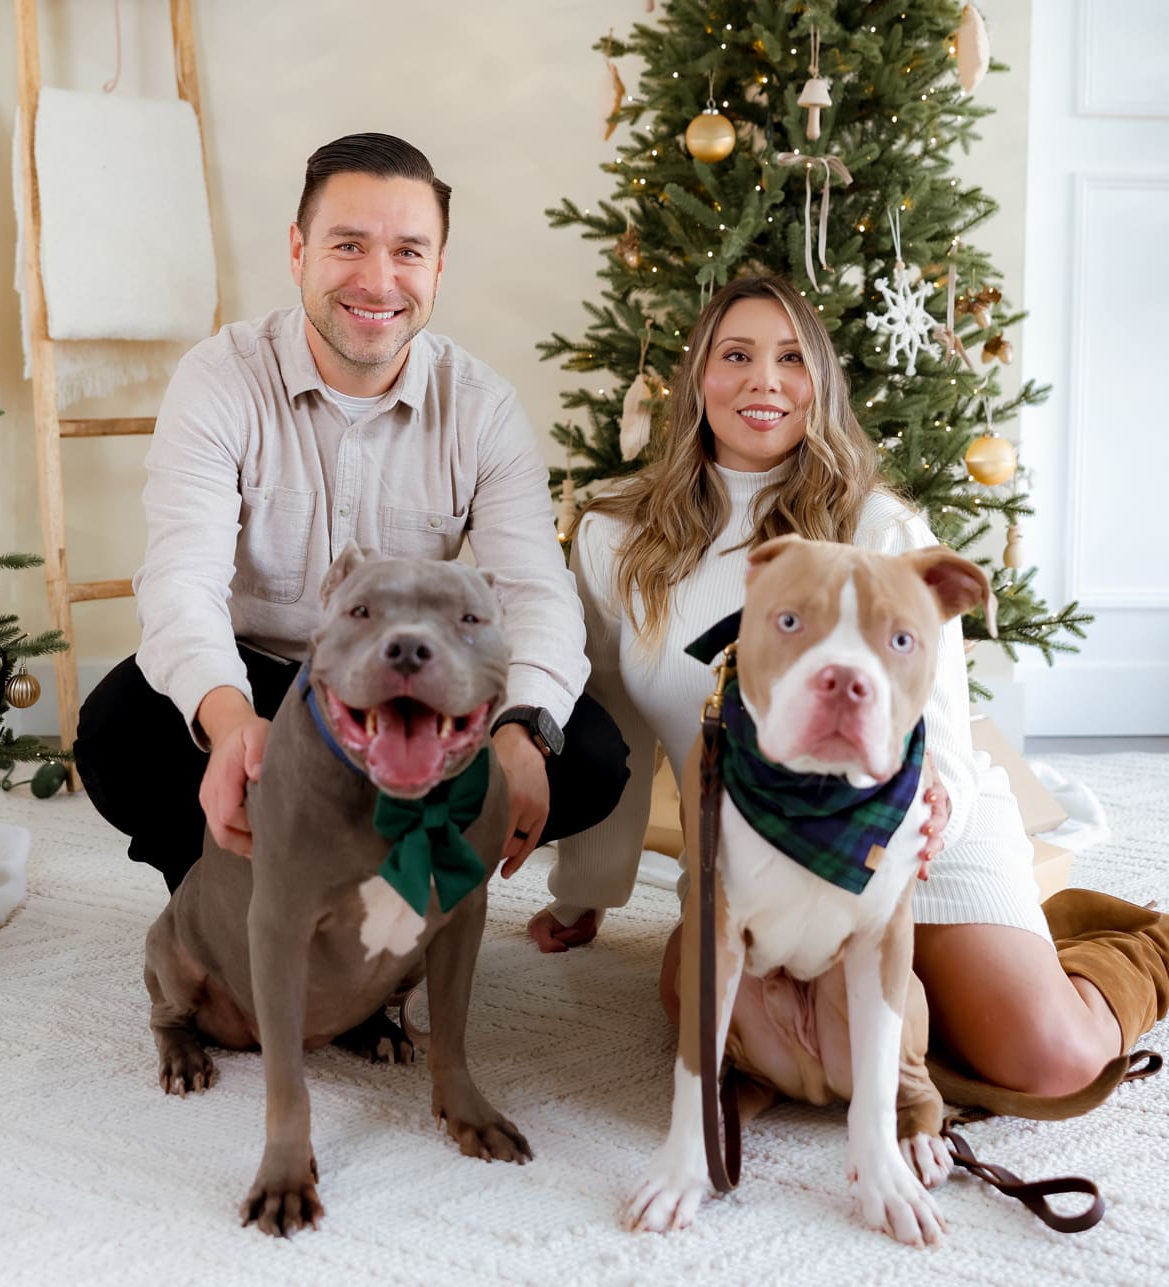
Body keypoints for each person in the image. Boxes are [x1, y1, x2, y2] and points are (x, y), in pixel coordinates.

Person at [531, 272, 1167, 1113]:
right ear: (697, 378)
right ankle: (919, 1013)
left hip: (902, 843)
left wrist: (928, 821)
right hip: (753, 862)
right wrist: (586, 889)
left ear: (820, 384)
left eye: (791, 358)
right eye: (735, 355)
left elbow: (941, 737)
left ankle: (1135, 948)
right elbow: (615, 727)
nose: (764, 380)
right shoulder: (615, 536)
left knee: (1050, 1061)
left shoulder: (880, 527)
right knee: (715, 1017)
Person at [73, 132, 628, 895]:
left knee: (587, 757)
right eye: (348, 245)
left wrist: (522, 730)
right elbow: (180, 582)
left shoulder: (482, 408)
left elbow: (536, 592)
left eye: (407, 251)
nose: (377, 279)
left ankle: (394, 893)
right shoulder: (220, 378)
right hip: (260, 678)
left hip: (410, 683)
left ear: (437, 267)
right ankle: (226, 899)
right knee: (119, 736)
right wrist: (230, 725)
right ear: (297, 250)